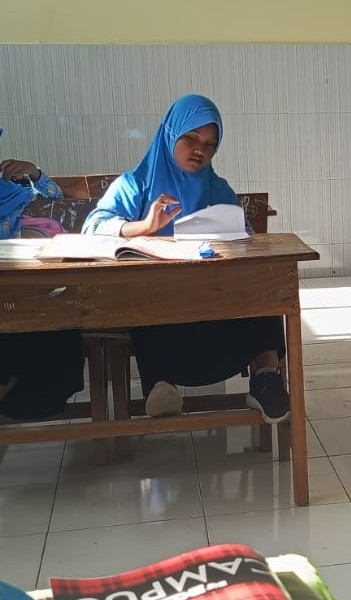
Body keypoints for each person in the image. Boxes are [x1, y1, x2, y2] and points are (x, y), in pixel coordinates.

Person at [82, 94, 290, 423]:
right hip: (161, 307)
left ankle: (266, 379)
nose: (199, 150)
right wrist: (144, 227)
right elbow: (92, 227)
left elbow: (246, 236)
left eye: (209, 144)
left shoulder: (217, 189)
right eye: (191, 138)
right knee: (147, 297)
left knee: (264, 287)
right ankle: (160, 387)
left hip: (217, 301)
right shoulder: (135, 184)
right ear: (170, 135)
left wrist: (234, 238)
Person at [0, 128, 84, 424]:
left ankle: (13, 407)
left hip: (30, 293)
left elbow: (57, 202)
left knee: (60, 329)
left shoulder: (12, 186)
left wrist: (34, 173)